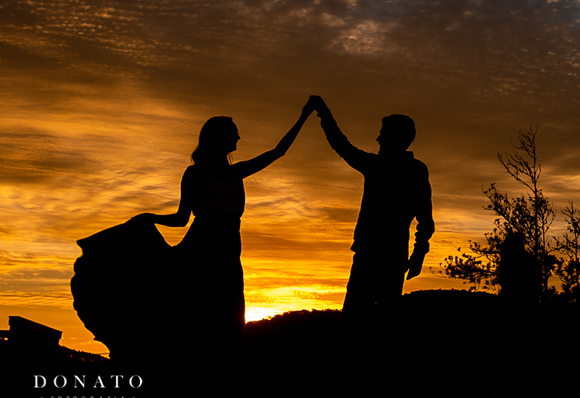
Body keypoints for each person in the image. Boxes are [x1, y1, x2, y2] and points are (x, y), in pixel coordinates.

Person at [133, 104, 313, 358]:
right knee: (204, 307)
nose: (239, 137)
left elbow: (278, 152)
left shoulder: (236, 171)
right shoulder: (194, 174)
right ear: (218, 137)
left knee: (231, 310)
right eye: (234, 132)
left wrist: (303, 116)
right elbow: (182, 219)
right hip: (204, 242)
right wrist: (149, 217)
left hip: (229, 244)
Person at [307, 96, 434, 332]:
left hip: (374, 254)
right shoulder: (413, 169)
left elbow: (341, 145)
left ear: (396, 137)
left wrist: (324, 113)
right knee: (382, 319)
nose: (378, 138)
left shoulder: (382, 167)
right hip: (391, 255)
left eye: (383, 133)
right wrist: (417, 255)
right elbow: (425, 221)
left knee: (357, 321)